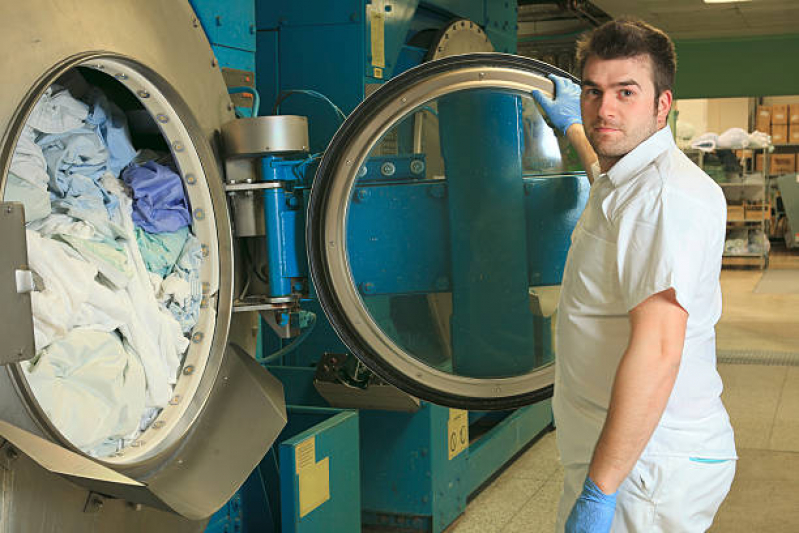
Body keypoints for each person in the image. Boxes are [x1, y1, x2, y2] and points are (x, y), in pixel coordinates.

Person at [531, 18, 737, 532]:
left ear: (663, 104)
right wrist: (574, 132)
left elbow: (659, 351)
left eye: (627, 92)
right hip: (630, 452)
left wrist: (600, 493)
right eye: (592, 92)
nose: (606, 109)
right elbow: (606, 181)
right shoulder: (632, 177)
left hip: (644, 468)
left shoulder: (665, 199)